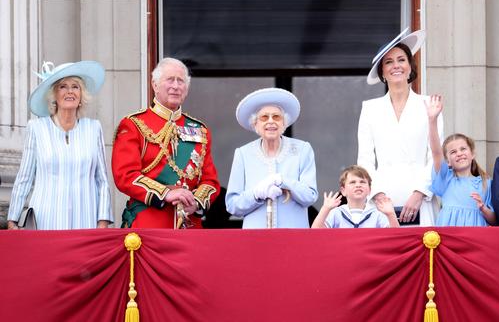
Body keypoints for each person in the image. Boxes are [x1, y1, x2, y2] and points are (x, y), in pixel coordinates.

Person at [112, 57, 220, 229]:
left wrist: (197, 203)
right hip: (148, 223)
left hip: (189, 225)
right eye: (170, 80)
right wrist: (166, 193)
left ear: (187, 89)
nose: (176, 86)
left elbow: (210, 181)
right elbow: (125, 175)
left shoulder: (200, 130)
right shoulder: (134, 124)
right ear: (155, 85)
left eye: (181, 81)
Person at [7, 61, 113, 230]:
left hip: (85, 219)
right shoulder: (37, 128)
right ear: (54, 95)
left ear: (81, 96)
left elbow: (102, 180)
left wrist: (103, 220)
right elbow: (24, 177)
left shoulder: (93, 128)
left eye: (75, 86)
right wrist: (13, 218)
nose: (70, 91)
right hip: (46, 220)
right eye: (63, 86)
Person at [358, 28, 443, 226]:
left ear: (410, 67)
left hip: (420, 199)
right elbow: (365, 158)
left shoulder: (429, 104)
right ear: (382, 72)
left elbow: (435, 156)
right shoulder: (370, 109)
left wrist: (420, 193)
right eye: (389, 62)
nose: (396, 66)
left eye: (401, 60)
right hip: (382, 199)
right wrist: (377, 193)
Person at [226, 88, 318, 228]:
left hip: (293, 237)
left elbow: (310, 196)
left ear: (284, 123)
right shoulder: (243, 154)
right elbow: (232, 205)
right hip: (255, 239)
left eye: (276, 117)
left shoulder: (302, 150)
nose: (271, 122)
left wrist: (283, 181)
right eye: (264, 117)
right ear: (255, 124)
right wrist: (256, 194)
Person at [426, 95, 496, 226]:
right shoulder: (446, 179)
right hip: (449, 238)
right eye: (453, 152)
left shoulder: (487, 183)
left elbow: (494, 220)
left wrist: (483, 208)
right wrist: (432, 120)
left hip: (475, 238)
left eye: (463, 149)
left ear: (472, 153)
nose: (459, 154)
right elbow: (436, 151)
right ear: (448, 162)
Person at [312, 165, 399, 228]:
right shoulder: (336, 213)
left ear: (369, 190)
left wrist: (391, 214)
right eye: (352, 182)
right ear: (343, 191)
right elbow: (315, 232)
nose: (358, 185)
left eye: (362, 182)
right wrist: (325, 209)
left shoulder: (377, 214)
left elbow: (394, 237)